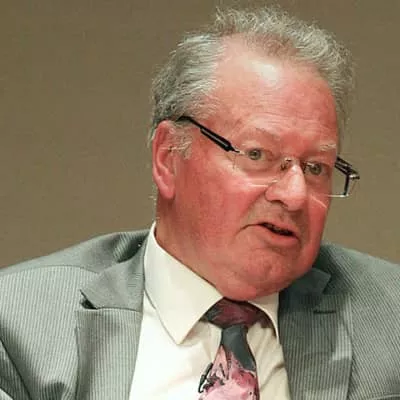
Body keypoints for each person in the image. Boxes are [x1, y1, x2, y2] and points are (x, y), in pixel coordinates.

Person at [1, 6, 400, 400]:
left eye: (315, 168)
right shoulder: (22, 326)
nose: (294, 194)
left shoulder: (389, 319)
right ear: (168, 157)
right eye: (257, 155)